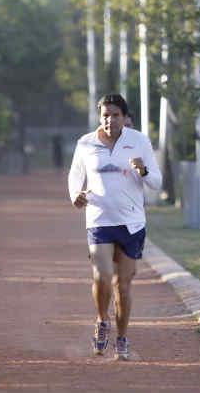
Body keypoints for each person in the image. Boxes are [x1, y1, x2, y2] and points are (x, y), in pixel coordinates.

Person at [68, 94, 162, 360]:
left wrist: (143, 171)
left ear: (125, 117)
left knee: (123, 286)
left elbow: (156, 181)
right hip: (99, 220)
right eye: (105, 115)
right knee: (102, 274)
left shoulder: (139, 141)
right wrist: (76, 195)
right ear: (100, 117)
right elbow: (75, 176)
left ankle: (122, 338)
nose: (110, 120)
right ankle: (101, 321)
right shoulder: (86, 143)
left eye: (115, 115)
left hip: (132, 223)